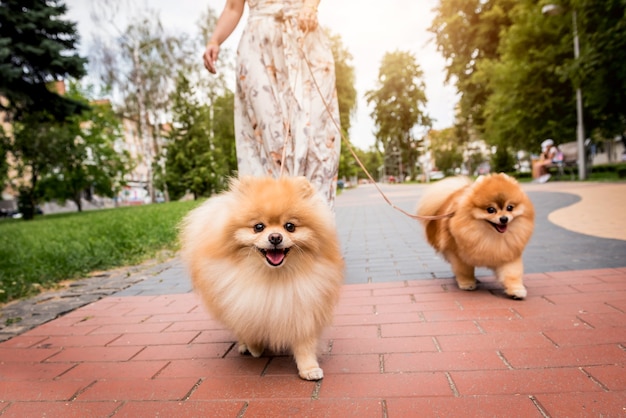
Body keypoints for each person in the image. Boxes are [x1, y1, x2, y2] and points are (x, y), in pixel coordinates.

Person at [203, 0, 341, 210]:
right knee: (271, 141)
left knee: (317, 137)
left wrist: (310, 6)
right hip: (258, 48)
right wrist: (214, 40)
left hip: (305, 36)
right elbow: (232, 7)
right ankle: (274, 220)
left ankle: (316, 222)